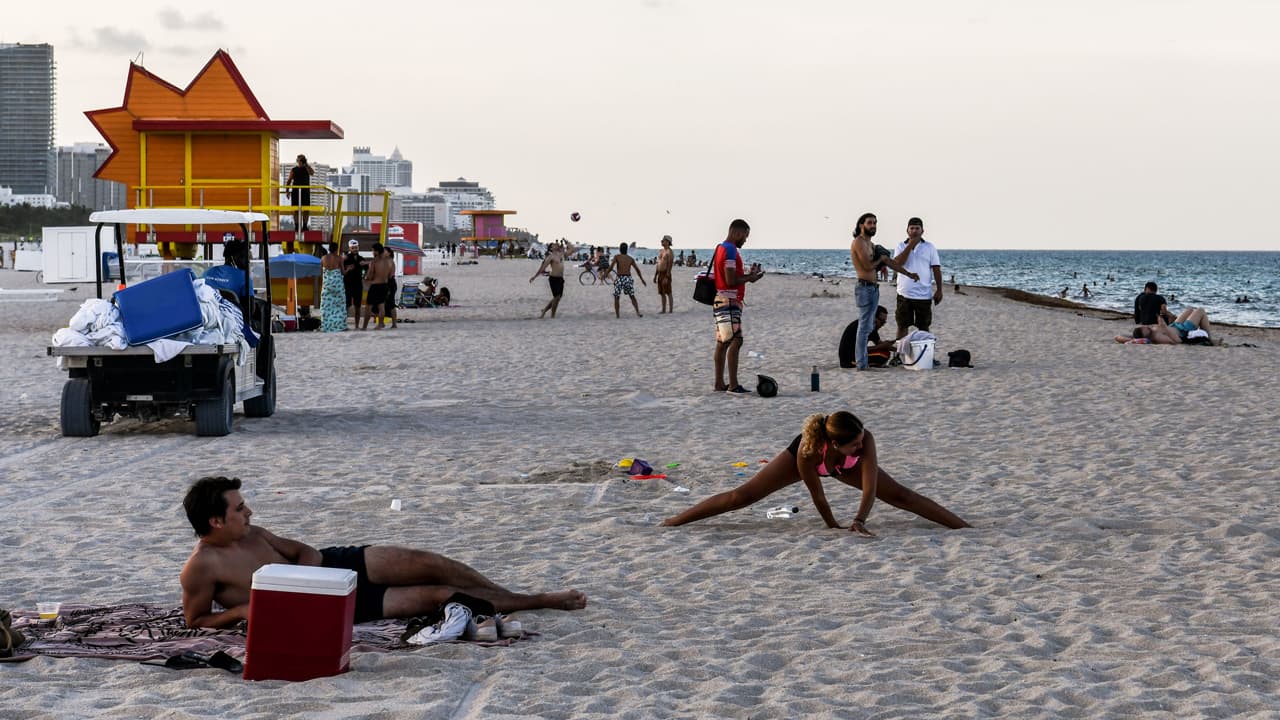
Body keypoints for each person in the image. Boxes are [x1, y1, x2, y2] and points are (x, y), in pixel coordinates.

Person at [179, 477, 587, 628]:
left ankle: (508, 595)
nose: (249, 511)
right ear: (216, 521)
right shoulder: (201, 568)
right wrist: (240, 611)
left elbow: (304, 550)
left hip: (330, 565)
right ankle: (538, 601)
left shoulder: (253, 532)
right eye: (239, 508)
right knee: (439, 594)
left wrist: (307, 574)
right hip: (318, 603)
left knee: (428, 562)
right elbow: (195, 620)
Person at [661, 412, 970, 535]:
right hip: (813, 459)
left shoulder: (864, 441)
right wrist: (833, 526)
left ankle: (964, 526)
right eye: (855, 444)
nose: (862, 446)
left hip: (842, 465)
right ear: (835, 444)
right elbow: (818, 497)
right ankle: (675, 520)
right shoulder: (807, 453)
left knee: (902, 495)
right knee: (743, 496)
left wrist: (859, 520)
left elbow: (870, 488)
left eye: (862, 439)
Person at [850, 213, 916, 371]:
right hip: (864, 288)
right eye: (869, 223)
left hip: (873, 288)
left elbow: (889, 262)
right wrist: (881, 260)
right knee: (864, 328)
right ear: (861, 225)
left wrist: (908, 274)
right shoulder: (859, 242)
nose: (873, 225)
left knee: (868, 327)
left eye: (875, 223)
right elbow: (867, 266)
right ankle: (861, 364)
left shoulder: (870, 244)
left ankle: (863, 362)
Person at [712, 219, 765, 393]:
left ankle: (720, 383)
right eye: (745, 236)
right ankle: (733, 385)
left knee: (723, 342)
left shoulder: (721, 247)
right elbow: (730, 280)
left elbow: (729, 277)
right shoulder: (730, 250)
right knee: (736, 340)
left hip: (721, 299)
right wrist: (750, 278)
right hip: (728, 301)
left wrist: (748, 275)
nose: (745, 240)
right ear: (737, 233)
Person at [892, 217, 943, 340]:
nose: (914, 231)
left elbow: (936, 268)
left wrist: (939, 290)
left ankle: (924, 351)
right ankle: (901, 351)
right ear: (907, 230)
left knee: (924, 327)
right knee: (902, 326)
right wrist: (910, 245)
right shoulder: (900, 246)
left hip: (923, 295)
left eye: (917, 228)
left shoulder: (930, 247)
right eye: (912, 228)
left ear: (922, 231)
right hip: (904, 294)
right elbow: (897, 263)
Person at [529, 241, 574, 318]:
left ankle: (544, 310)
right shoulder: (550, 257)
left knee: (558, 298)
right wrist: (535, 276)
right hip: (553, 279)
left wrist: (566, 241)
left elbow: (572, 249)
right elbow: (542, 267)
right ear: (551, 248)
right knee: (557, 297)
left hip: (560, 278)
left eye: (556, 244)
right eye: (553, 245)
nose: (556, 244)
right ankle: (552, 316)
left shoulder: (562, 254)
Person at [607, 242, 646, 318]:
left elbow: (611, 267)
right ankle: (638, 312)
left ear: (620, 249)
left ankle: (618, 315)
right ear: (627, 250)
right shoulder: (630, 259)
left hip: (619, 278)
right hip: (628, 278)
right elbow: (637, 270)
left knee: (617, 297)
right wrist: (642, 279)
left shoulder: (617, 257)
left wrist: (605, 274)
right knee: (632, 296)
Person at [361, 243, 393, 330]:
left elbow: (370, 275)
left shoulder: (374, 262)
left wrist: (366, 277)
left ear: (377, 251)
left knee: (368, 307)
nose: (372, 252)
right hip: (385, 285)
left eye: (373, 250)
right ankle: (380, 324)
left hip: (375, 286)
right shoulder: (389, 261)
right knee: (381, 306)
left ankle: (364, 327)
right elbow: (390, 275)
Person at [319, 242, 345, 332]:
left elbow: (321, 273)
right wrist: (349, 269)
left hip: (327, 284)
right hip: (337, 284)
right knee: (339, 305)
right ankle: (339, 326)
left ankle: (326, 325)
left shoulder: (323, 258)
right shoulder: (339, 258)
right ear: (336, 249)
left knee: (326, 305)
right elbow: (343, 272)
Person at [286, 155, 314, 231]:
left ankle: (305, 226)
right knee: (295, 209)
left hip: (305, 192)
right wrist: (287, 191)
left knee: (306, 209)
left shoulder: (307, 168)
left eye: (302, 160)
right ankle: (297, 226)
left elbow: (312, 173)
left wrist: (306, 164)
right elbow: (289, 180)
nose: (301, 162)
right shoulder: (294, 170)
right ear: (297, 161)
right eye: (299, 160)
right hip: (295, 191)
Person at [342, 240, 366, 325]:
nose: (355, 249)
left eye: (356, 247)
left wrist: (364, 275)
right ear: (349, 248)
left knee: (357, 306)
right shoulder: (345, 259)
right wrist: (347, 269)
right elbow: (341, 272)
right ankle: (343, 324)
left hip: (358, 285)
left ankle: (357, 325)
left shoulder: (361, 259)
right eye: (353, 248)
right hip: (347, 284)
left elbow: (368, 269)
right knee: (346, 305)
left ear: (358, 247)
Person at [654, 235, 675, 314]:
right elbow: (658, 264)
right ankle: (663, 310)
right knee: (662, 293)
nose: (661, 241)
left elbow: (670, 265)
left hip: (666, 273)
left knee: (668, 292)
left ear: (668, 242)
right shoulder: (661, 251)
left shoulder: (670, 252)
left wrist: (667, 276)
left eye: (663, 240)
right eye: (662, 240)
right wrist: (655, 275)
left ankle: (670, 310)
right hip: (660, 273)